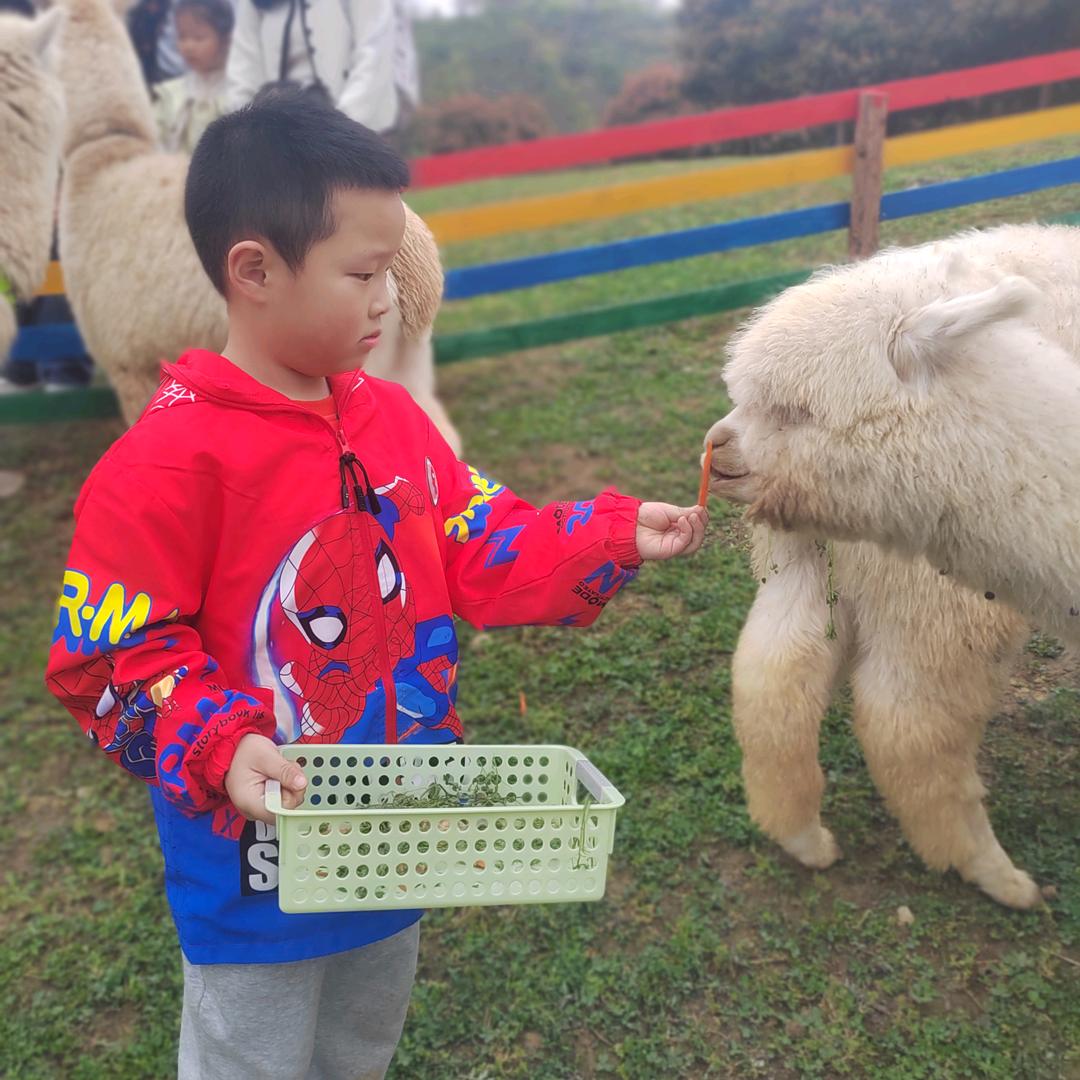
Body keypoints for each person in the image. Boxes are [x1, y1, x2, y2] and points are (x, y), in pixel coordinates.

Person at [44, 89, 708, 1080]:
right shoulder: (164, 467)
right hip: (255, 870)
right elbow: (109, 656)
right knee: (253, 1057)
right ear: (254, 271)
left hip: (397, 827)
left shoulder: (394, 423)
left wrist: (604, 536)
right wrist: (219, 743)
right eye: (362, 272)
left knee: (361, 1038)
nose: (388, 298)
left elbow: (479, 538)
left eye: (390, 268)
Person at [226, 0, 398, 132]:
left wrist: (343, 126)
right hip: (275, 132)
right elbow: (243, 66)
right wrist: (243, 130)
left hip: (353, 125)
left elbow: (375, 53)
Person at [154, 0, 233, 153]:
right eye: (182, 37)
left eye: (199, 38)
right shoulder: (170, 94)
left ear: (225, 40)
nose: (188, 46)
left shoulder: (235, 94)